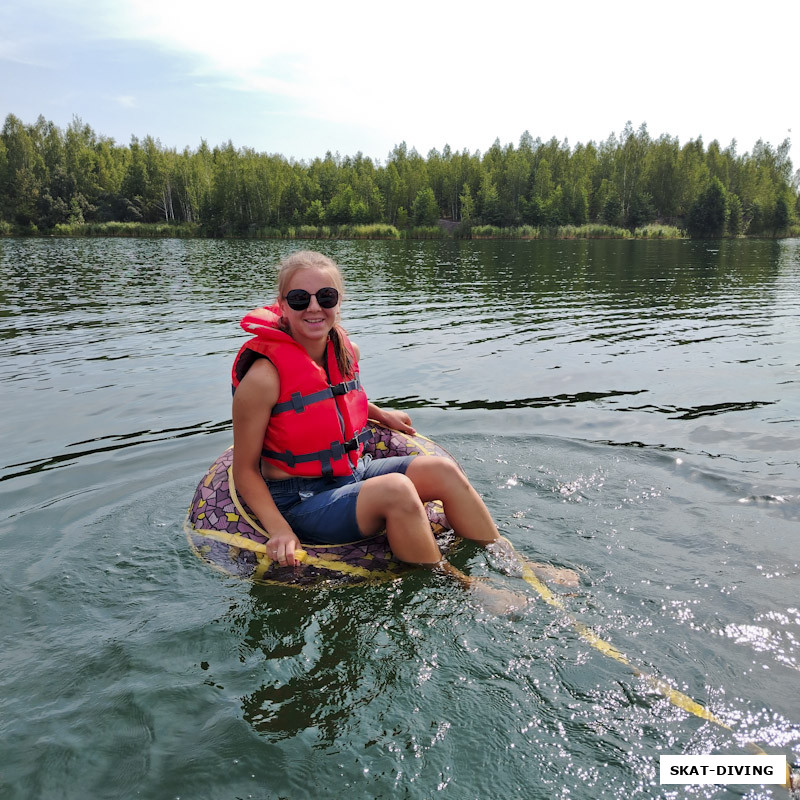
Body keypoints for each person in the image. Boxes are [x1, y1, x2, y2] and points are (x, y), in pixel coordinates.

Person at [231, 251, 572, 603]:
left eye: (326, 297)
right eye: (300, 299)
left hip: (351, 471)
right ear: (282, 305)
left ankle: (514, 561)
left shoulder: (346, 351)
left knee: (442, 470)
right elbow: (244, 471)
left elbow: (332, 399)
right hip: (301, 499)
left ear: (339, 301)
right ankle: (462, 586)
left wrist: (378, 414)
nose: (314, 308)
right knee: (396, 489)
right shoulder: (262, 379)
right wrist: (280, 531)